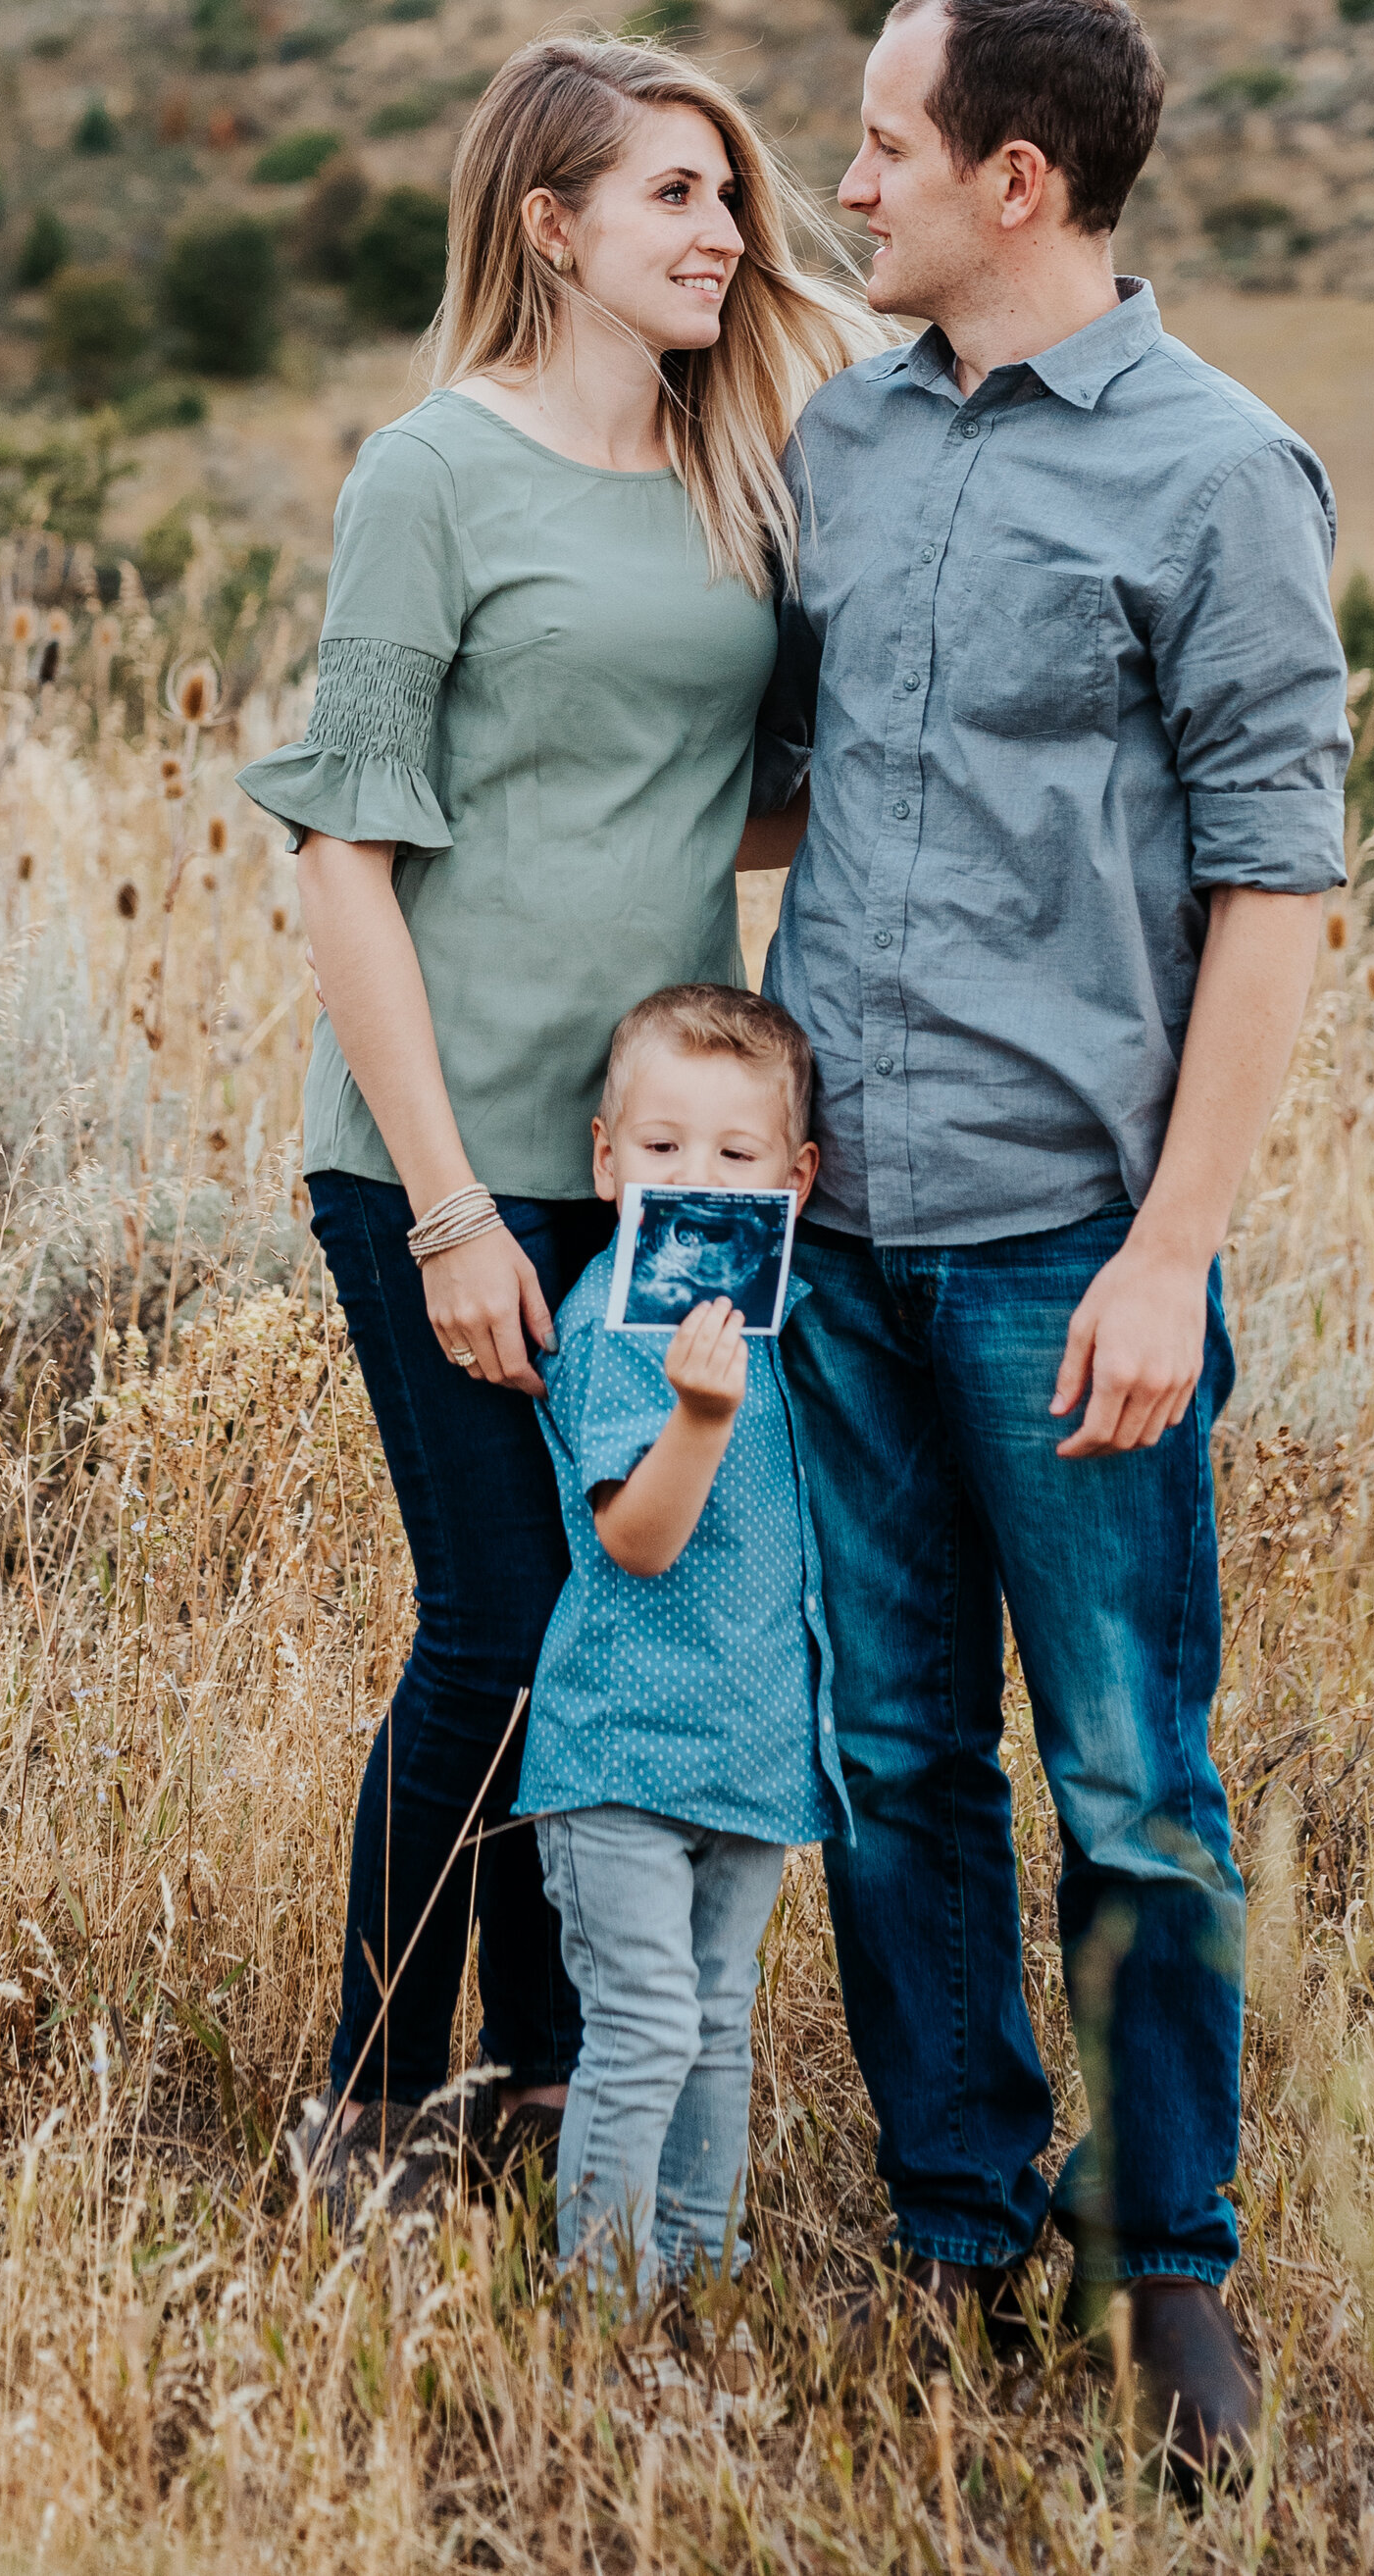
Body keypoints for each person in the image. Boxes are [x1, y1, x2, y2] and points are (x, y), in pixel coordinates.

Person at [754, 0, 1350, 2481]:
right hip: (827, 1235)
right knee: (892, 1756)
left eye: (883, 142)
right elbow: (780, 784)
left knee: (1123, 1772)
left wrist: (1167, 1247)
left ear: (1019, 180)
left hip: (1058, 1251)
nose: (844, 183)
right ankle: (954, 2222)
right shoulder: (848, 443)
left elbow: (1275, 878)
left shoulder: (1219, 474)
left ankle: (1170, 2266)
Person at [237, 35, 874, 2207]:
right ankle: (368, 2095)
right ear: (549, 226)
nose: (725, 233)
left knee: (612, 1628)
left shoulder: (733, 473)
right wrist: (439, 1213)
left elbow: (740, 786)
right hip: (444, 1153)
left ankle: (545, 2077)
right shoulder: (430, 471)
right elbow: (341, 852)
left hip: (660, 1166)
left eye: (730, 198)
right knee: (500, 1620)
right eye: (675, 196)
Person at [517, 984, 846, 2298]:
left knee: (718, 2024)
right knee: (647, 2023)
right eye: (660, 1151)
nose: (693, 1179)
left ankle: (700, 2264)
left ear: (796, 1177)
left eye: (734, 1155)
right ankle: (602, 2291)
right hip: (621, 1753)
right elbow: (636, 1540)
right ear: (606, 1161)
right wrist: (698, 1417)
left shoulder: (778, 1321)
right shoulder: (617, 1323)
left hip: (751, 1746)